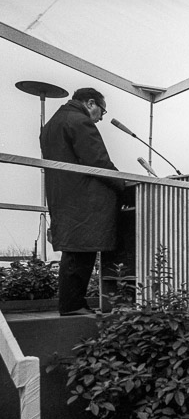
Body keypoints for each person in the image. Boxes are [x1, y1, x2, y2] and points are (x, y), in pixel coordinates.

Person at [40, 88, 126, 316]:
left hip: (63, 195)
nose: (101, 118)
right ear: (90, 103)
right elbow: (97, 160)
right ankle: (74, 305)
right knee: (82, 251)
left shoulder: (51, 124)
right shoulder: (79, 121)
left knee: (73, 251)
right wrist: (123, 186)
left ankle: (71, 303)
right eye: (102, 111)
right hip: (84, 199)